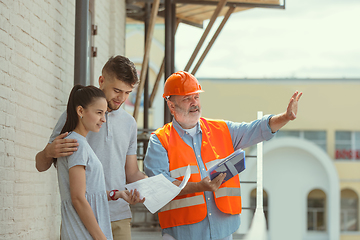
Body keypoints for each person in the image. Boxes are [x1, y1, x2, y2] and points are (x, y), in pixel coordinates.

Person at [144, 71, 302, 240]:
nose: (194, 103)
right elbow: (159, 186)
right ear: (171, 106)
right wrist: (198, 187)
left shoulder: (222, 129)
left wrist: (285, 117)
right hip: (182, 235)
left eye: (196, 97)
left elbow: (256, 129)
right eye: (186, 98)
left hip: (223, 232)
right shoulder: (160, 141)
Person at [35, 56, 146, 240]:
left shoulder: (129, 124)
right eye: (117, 90)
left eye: (128, 93)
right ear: (102, 81)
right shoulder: (75, 116)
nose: (122, 98)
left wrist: (150, 187)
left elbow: (132, 173)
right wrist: (49, 152)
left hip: (119, 215)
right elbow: (41, 164)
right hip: (82, 218)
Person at [57, 84, 133, 239]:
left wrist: (116, 194)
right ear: (80, 111)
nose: (103, 119)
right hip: (82, 234)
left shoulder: (80, 143)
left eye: (104, 113)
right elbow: (78, 198)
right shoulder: (77, 144)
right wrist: (101, 237)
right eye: (99, 113)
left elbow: (89, 193)